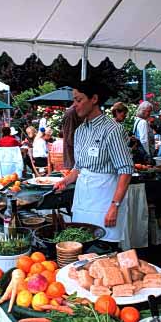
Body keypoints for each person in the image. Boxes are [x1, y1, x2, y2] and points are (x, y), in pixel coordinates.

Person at [54, 79, 134, 245]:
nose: (74, 105)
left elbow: (126, 170)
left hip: (105, 203)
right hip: (83, 199)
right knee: (82, 244)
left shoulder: (113, 130)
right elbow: (79, 168)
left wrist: (114, 206)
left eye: (79, 100)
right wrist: (65, 181)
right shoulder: (80, 131)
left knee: (103, 249)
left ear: (94, 99)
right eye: (73, 100)